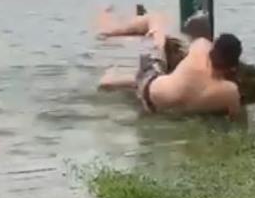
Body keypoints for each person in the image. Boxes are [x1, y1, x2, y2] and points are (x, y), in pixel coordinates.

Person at [97, 9, 244, 121]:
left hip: (149, 93)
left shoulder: (201, 48)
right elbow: (236, 119)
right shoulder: (230, 92)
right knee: (167, 78)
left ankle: (110, 33)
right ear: (233, 65)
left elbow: (190, 39)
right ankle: (111, 81)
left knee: (156, 19)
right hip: (166, 112)